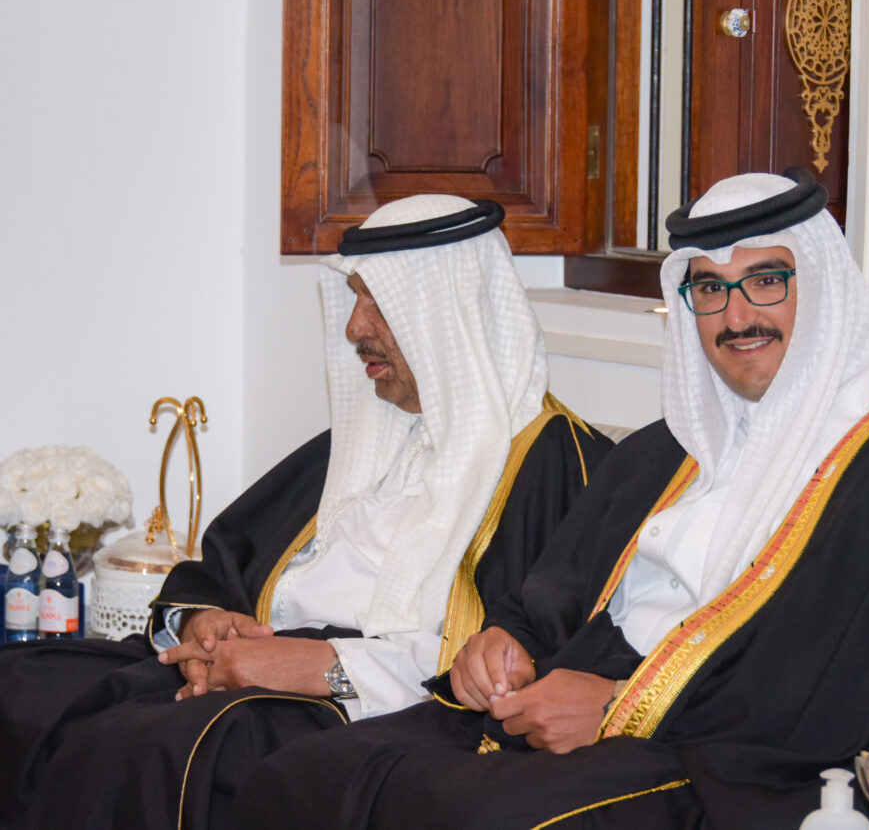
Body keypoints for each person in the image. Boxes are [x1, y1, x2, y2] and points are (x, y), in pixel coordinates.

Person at [229, 169, 869, 829]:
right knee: (304, 775)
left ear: (825, 288)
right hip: (576, 707)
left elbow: (857, 684)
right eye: (711, 288)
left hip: (725, 762)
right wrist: (504, 641)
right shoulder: (668, 447)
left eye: (767, 280)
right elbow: (554, 590)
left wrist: (618, 705)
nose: (738, 315)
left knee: (471, 814)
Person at [0, 195, 612, 829]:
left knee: (157, 747)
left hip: (366, 707)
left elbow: (525, 657)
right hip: (255, 667)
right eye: (354, 297)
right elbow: (230, 561)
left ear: (450, 313)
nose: (354, 328)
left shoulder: (556, 462)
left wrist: (326, 669)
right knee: (22, 685)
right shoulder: (369, 434)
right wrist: (204, 625)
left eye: (378, 302)